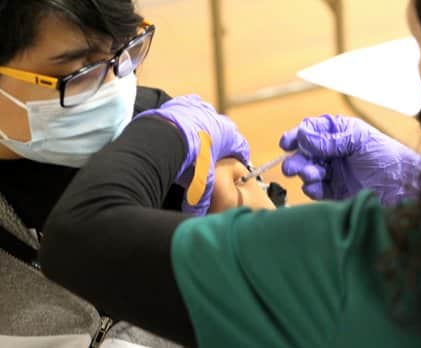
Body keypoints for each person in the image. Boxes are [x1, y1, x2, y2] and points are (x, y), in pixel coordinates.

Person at [40, 0, 421, 346]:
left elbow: (79, 237)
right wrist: (418, 186)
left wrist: (170, 127)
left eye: (419, 49)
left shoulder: (339, 262)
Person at [0, 0, 274, 347]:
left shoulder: (174, 142)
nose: (115, 88)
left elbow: (284, 297)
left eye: (125, 51)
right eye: (80, 72)